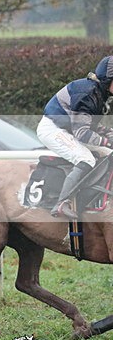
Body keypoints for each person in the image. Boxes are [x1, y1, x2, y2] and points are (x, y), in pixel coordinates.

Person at [37, 55, 113, 219]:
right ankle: (61, 203)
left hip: (69, 128)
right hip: (53, 128)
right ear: (108, 80)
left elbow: (87, 123)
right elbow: (82, 133)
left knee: (107, 153)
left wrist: (107, 132)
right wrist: (107, 140)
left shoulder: (99, 93)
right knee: (86, 158)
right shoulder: (87, 94)